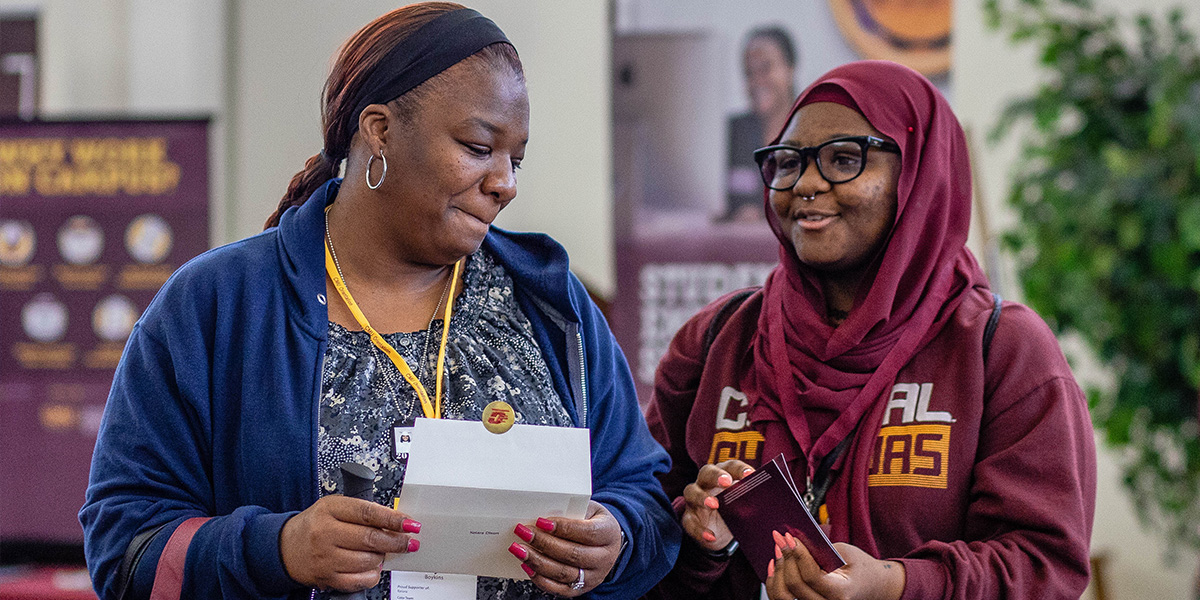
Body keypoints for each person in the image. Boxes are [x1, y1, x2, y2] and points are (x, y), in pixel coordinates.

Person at [79, 4, 679, 600]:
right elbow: (125, 550)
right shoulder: (218, 305)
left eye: (515, 159)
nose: (506, 183)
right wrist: (277, 548)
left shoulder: (547, 302)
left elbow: (644, 497)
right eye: (477, 147)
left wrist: (615, 539)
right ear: (380, 131)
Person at [645, 60, 1095, 600]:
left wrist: (895, 586)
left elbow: (1044, 567)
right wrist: (701, 544)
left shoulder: (1001, 350)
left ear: (918, 173)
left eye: (843, 159)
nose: (806, 184)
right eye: (788, 162)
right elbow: (639, 536)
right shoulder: (717, 341)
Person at [722, 26, 798, 223]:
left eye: (765, 69)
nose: (757, 81)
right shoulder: (729, 134)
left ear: (790, 69)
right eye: (749, 73)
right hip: (740, 247)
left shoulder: (813, 130)